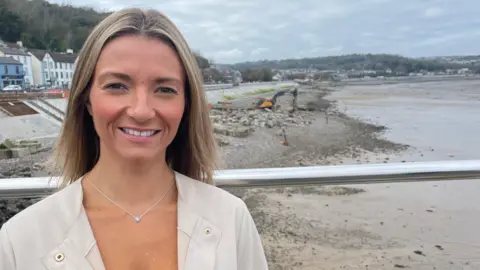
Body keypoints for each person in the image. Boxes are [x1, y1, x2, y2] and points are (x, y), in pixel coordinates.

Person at [0, 8, 269, 270]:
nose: (141, 111)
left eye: (164, 89)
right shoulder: (19, 242)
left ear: (187, 104)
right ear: (87, 100)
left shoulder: (231, 219)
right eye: (117, 86)